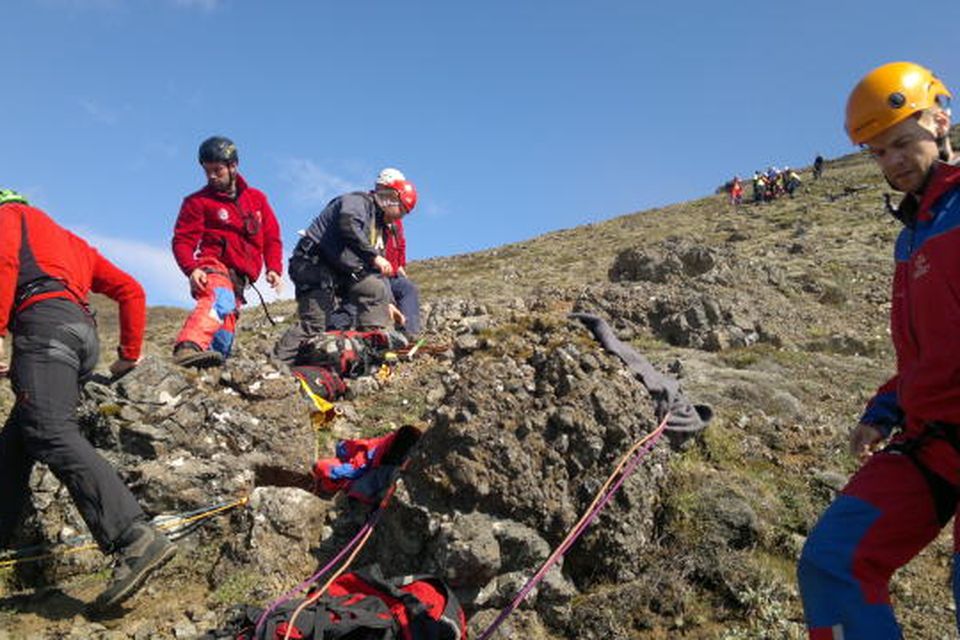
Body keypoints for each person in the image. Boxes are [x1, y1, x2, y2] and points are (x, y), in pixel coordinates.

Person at [797, 61, 959, 638]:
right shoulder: (909, 235)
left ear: (940, 121)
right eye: (877, 153)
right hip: (932, 439)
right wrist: (884, 409)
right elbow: (928, 353)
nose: (891, 163)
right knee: (831, 563)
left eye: (900, 144)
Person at [0, 190, 176, 611]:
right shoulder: (70, 241)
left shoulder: (9, 215)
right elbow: (131, 290)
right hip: (80, 335)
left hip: (43, 324)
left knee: (49, 430)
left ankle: (133, 538)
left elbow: (5, 264)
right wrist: (127, 355)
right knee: (17, 442)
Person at [274, 171, 417, 365]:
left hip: (337, 272)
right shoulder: (357, 202)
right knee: (315, 324)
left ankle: (373, 349)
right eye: (402, 210)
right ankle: (277, 365)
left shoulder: (380, 227)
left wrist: (389, 302)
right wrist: (373, 256)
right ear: (392, 199)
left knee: (375, 288)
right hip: (312, 264)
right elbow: (348, 225)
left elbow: (378, 274)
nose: (401, 216)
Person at [171, 136, 283, 367]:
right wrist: (191, 269)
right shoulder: (197, 202)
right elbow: (182, 240)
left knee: (225, 330)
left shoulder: (257, 199)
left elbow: (272, 237)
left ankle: (209, 369)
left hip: (240, 281)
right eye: (207, 171)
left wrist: (274, 268)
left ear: (233, 166)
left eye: (217, 170)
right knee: (219, 299)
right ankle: (188, 347)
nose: (212, 176)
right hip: (213, 267)